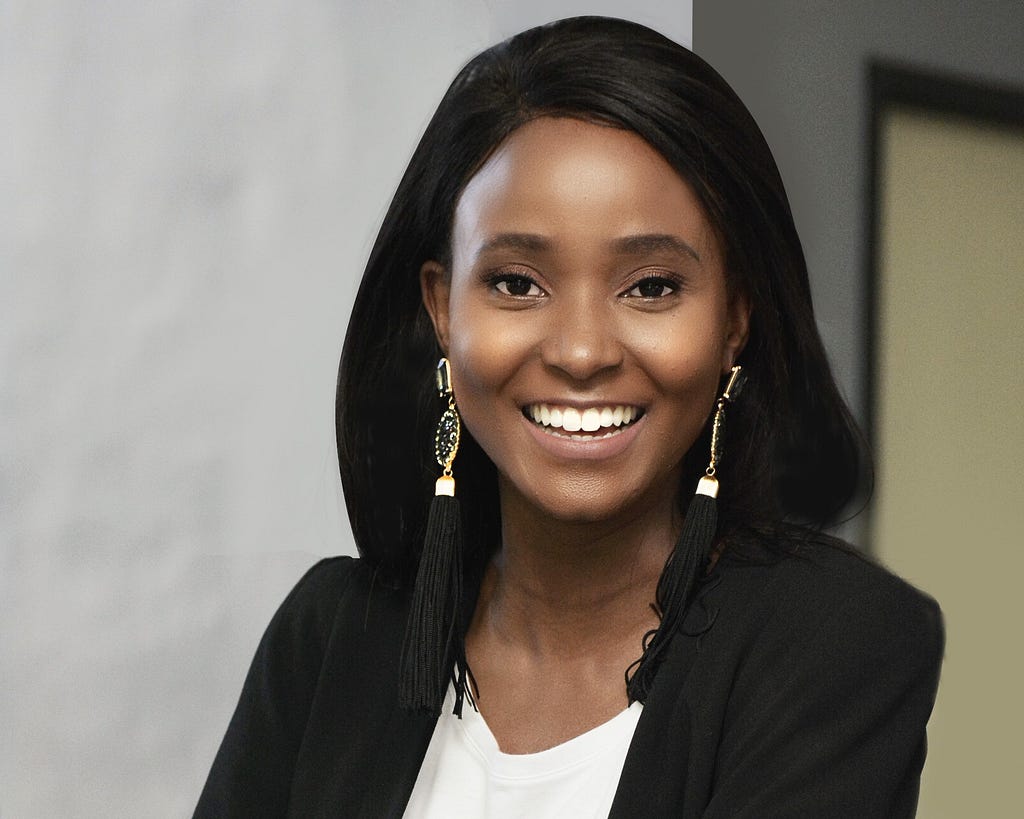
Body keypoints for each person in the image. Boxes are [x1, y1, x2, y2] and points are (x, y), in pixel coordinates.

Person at [195, 16, 943, 818]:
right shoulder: (331, 639)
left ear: (734, 321)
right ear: (442, 309)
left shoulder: (834, 644)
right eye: (517, 283)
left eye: (651, 285)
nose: (582, 351)